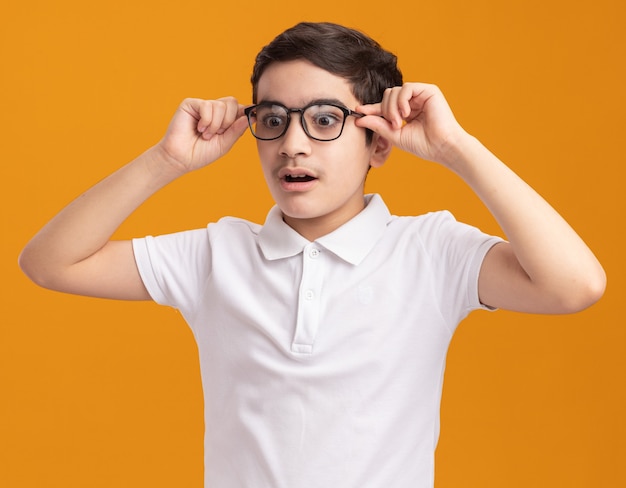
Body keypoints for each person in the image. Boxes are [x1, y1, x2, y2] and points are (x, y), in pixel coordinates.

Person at [19, 21, 605, 488]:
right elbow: (49, 263)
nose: (293, 144)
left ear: (379, 141)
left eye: (325, 119)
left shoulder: (431, 252)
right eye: (273, 120)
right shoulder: (216, 254)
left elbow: (573, 286)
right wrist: (166, 160)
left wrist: (456, 148)